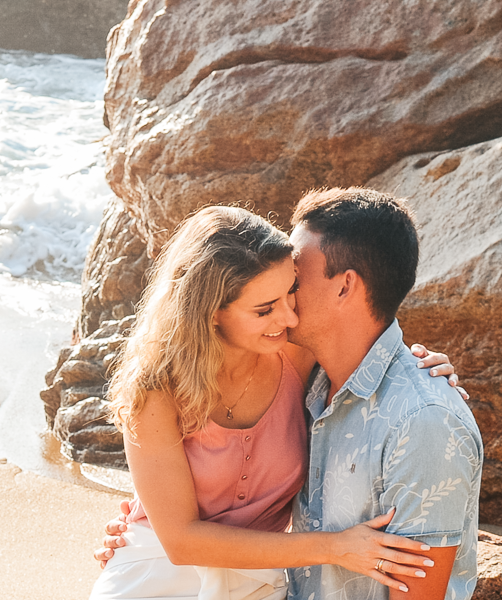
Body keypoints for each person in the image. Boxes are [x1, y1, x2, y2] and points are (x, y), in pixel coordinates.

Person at [90, 189, 480, 600]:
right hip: (162, 574)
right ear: (210, 313)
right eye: (266, 308)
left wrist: (424, 380)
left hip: (261, 582)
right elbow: (180, 539)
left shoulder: (299, 359)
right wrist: (335, 548)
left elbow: (367, 341)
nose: (288, 315)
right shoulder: (158, 388)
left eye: (291, 288)